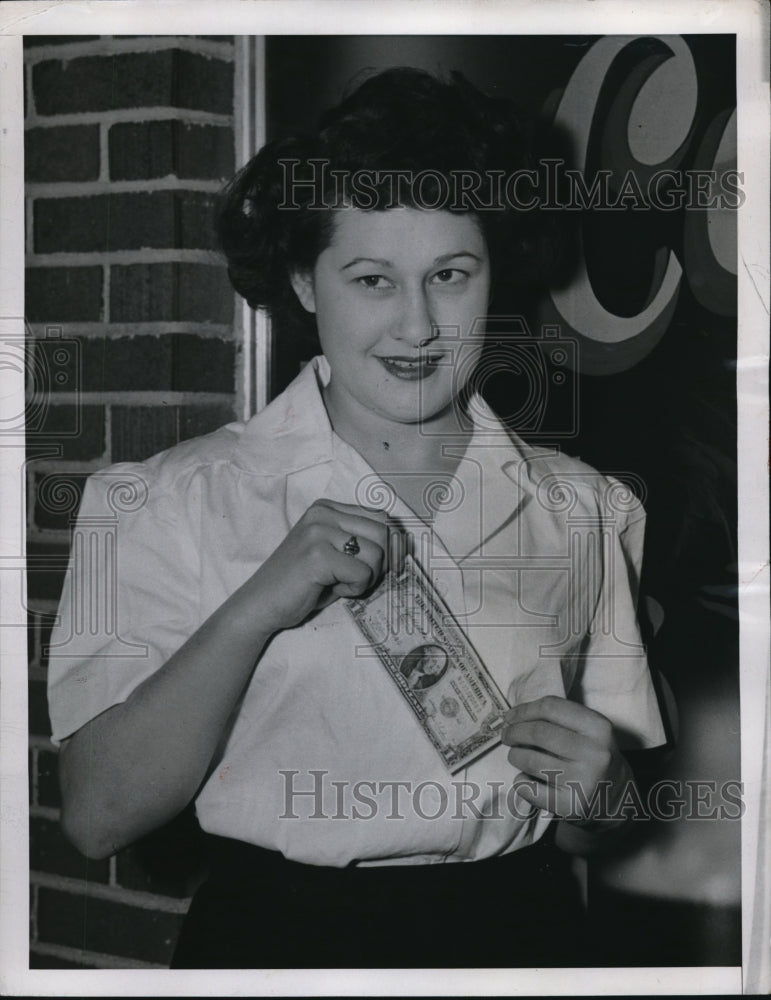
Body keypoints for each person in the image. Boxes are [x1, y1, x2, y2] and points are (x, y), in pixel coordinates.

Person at [48, 67, 666, 969]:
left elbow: (592, 825)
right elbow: (98, 817)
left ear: (492, 273)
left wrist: (606, 800)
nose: (417, 326)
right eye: (372, 279)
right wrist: (258, 605)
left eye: (450, 275)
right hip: (278, 943)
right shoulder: (161, 501)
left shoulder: (583, 505)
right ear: (305, 282)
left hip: (519, 939)